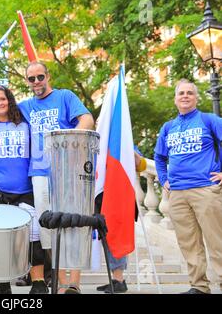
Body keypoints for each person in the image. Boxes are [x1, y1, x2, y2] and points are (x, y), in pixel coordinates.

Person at [18, 61, 94, 294]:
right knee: (49, 228)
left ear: (47, 76)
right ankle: (61, 283)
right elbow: (1, 108)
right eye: (31, 79)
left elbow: (87, 120)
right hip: (39, 172)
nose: (36, 82)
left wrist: (69, 146)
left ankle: (75, 283)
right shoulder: (26, 106)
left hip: (68, 170)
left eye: (40, 77)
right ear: (27, 82)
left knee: (74, 222)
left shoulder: (65, 96)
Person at [154, 79, 222, 294]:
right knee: (189, 244)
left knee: (217, 241)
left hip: (206, 189)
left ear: (196, 97)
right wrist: (164, 178)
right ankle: (199, 286)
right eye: (181, 93)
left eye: (189, 93)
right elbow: (159, 156)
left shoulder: (209, 120)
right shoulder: (168, 127)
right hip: (177, 193)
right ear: (175, 99)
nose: (185, 96)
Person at [0, 85, 48, 294]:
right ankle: (3, 285)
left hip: (24, 188)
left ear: (9, 100)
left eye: (3, 98)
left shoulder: (25, 125)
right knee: (1, 240)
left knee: (34, 235)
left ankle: (38, 283)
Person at [95, 149, 147, 293]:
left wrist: (131, 151)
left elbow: (141, 165)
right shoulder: (100, 137)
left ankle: (119, 280)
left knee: (115, 236)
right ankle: (115, 279)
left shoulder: (122, 139)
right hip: (101, 195)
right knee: (106, 238)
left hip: (119, 195)